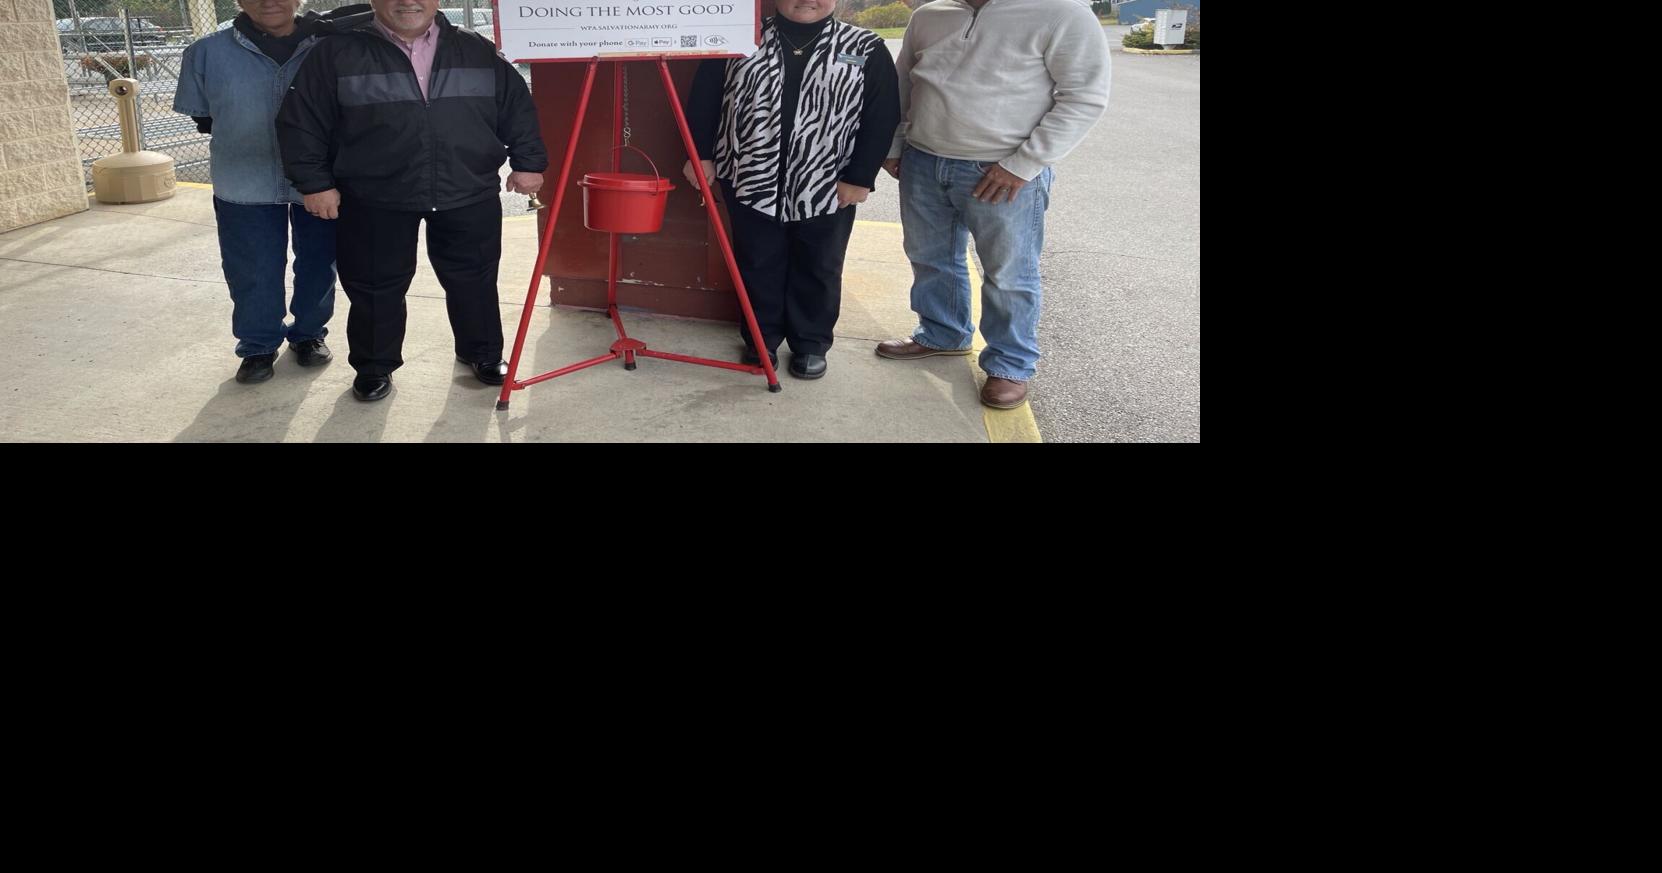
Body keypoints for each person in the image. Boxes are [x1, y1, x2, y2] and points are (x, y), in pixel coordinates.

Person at [275, 0, 547, 401]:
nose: (407, 1)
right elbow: (302, 122)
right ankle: (373, 366)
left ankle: (483, 353)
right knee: (374, 285)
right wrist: (314, 184)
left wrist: (528, 163)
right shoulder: (337, 52)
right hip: (374, 195)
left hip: (466, 188)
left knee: (474, 278)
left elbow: (517, 108)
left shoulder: (475, 48)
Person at [876, 0, 1109, 409]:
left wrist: (1023, 165)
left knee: (1009, 274)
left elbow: (1084, 97)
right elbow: (902, 85)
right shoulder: (929, 15)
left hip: (1002, 170)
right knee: (929, 258)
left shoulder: (1062, 13)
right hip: (924, 160)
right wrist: (895, 144)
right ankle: (943, 333)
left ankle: (1010, 365)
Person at [683, 0, 899, 380]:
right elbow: (705, 98)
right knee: (757, 261)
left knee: (820, 265)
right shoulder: (740, 38)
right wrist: (700, 154)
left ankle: (811, 342)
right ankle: (760, 338)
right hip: (749, 175)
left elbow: (881, 115)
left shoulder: (865, 47)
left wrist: (860, 176)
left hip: (828, 183)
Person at [173, 0, 373, 384]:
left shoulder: (329, 46)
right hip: (243, 180)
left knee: (319, 262)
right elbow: (205, 117)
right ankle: (258, 345)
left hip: (320, 182)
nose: (269, 1)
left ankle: (309, 333)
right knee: (251, 268)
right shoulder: (205, 53)